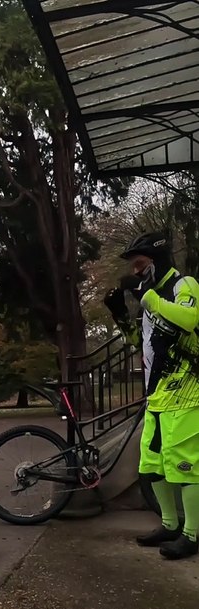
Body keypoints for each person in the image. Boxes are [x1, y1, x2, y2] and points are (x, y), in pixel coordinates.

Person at [103, 230, 199, 560]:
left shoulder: (182, 287)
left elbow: (188, 319)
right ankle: (170, 524)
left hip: (189, 392)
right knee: (152, 464)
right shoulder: (152, 300)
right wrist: (120, 315)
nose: (135, 272)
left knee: (184, 464)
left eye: (140, 264)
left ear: (157, 262)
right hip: (158, 394)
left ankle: (192, 534)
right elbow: (138, 344)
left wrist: (151, 300)